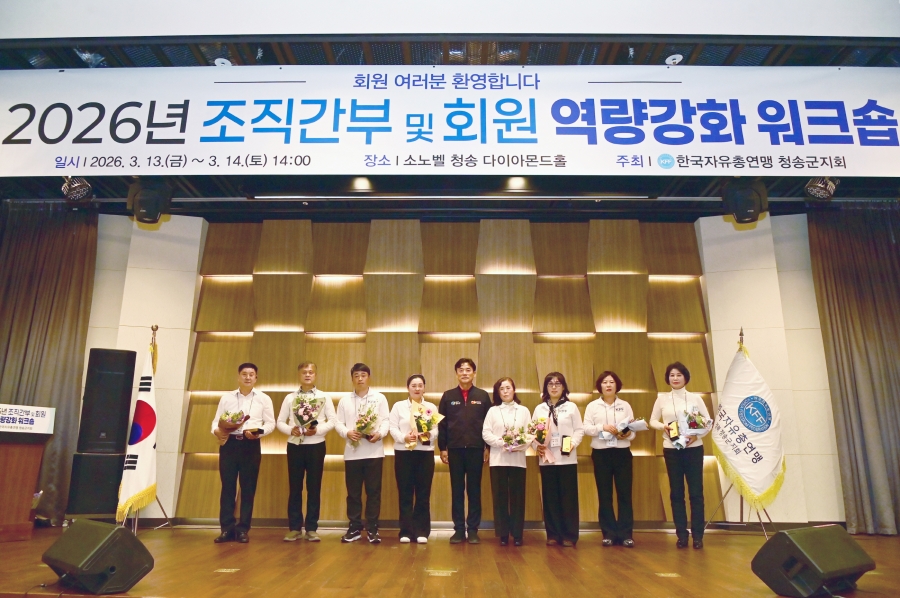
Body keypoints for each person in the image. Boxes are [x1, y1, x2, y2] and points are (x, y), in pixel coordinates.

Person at [210, 363, 275, 544]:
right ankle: (226, 529)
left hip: (250, 445)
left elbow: (271, 423)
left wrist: (259, 432)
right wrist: (216, 431)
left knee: (248, 488)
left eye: (251, 374)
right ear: (238, 377)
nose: (247, 377)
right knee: (228, 487)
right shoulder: (227, 398)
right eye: (244, 374)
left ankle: (243, 529)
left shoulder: (264, 399)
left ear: (256, 378)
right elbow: (215, 421)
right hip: (229, 445)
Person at [650, 361, 712, 549]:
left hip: (694, 448)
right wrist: (663, 426)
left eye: (679, 375)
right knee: (676, 493)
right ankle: (681, 535)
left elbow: (708, 422)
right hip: (671, 449)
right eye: (672, 375)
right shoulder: (662, 399)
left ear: (685, 377)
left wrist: (697, 435)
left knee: (696, 493)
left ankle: (698, 536)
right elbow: (652, 420)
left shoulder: (695, 398)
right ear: (667, 378)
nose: (675, 378)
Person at [276, 361, 335, 543]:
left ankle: (311, 528)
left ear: (315, 375)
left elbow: (333, 421)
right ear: (299, 375)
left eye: (311, 372)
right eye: (304, 372)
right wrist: (291, 430)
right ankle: (294, 528)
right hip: (295, 446)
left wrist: (317, 430)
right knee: (295, 487)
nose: (307, 375)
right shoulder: (290, 398)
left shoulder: (324, 397)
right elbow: (280, 422)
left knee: (314, 487)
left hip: (316, 445)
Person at [438, 357, 491, 544]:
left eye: (468, 370)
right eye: (461, 370)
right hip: (455, 449)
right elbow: (442, 424)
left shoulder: (483, 396)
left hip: (476, 449)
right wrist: (442, 448)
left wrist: (487, 447)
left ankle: (473, 529)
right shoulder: (448, 396)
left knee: (474, 490)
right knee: (457, 490)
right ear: (456, 373)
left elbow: (489, 424)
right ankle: (459, 529)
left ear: (474, 373)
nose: (464, 373)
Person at [335, 363, 390, 543]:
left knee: (373, 492)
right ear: (352, 378)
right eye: (356, 375)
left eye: (363, 375)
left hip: (374, 452)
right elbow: (338, 423)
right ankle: (354, 527)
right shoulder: (344, 400)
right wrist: (347, 432)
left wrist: (379, 434)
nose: (360, 379)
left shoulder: (379, 398)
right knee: (353, 493)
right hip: (352, 453)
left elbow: (386, 421)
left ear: (369, 377)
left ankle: (373, 528)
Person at [583, 371, 637, 548]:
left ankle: (626, 534)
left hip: (622, 453)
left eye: (611, 382)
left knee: (625, 494)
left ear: (617, 385)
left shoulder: (625, 405)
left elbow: (633, 431)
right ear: (600, 386)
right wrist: (602, 427)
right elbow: (586, 428)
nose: (608, 385)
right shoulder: (592, 406)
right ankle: (609, 533)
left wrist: (627, 434)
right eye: (605, 382)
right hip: (601, 454)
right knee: (604, 494)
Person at [532, 371, 584, 547]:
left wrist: (572, 444)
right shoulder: (540, 408)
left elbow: (579, 430)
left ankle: (570, 535)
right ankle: (553, 534)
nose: (554, 387)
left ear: (563, 387)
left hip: (567, 458)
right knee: (550, 498)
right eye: (550, 384)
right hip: (547, 459)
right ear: (546, 387)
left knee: (568, 498)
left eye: (557, 383)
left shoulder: (571, 407)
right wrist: (536, 447)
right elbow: (532, 433)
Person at [482, 377, 532, 547]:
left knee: (518, 498)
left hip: (518, 460)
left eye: (508, 388)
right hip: (498, 460)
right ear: (498, 392)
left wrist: (520, 444)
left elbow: (530, 433)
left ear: (514, 389)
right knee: (500, 497)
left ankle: (517, 534)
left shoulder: (523, 410)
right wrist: (501, 442)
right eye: (501, 389)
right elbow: (486, 433)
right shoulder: (493, 411)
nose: (505, 391)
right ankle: (503, 534)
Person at [389, 374, 438, 544]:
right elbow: (392, 428)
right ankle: (406, 531)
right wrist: (404, 437)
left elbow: (436, 430)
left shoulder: (430, 407)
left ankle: (422, 531)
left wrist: (427, 434)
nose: (417, 388)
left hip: (425, 453)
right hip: (404, 453)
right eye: (413, 385)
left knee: (423, 493)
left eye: (420, 385)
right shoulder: (398, 406)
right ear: (408, 388)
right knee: (405, 493)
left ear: (424, 388)